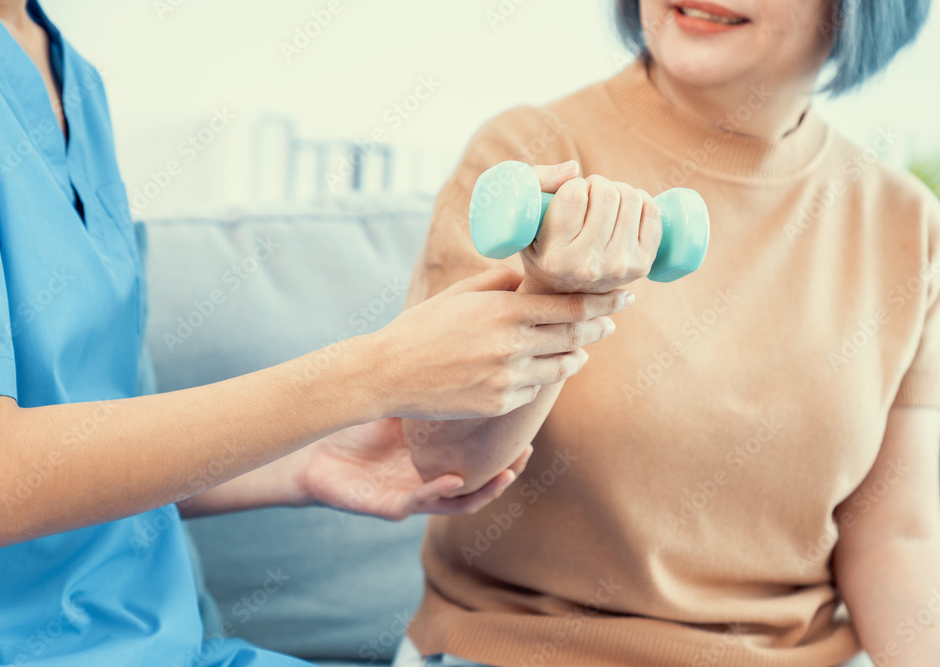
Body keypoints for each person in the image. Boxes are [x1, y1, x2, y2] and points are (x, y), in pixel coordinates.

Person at [0, 0, 632, 664]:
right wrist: (369, 373)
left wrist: (303, 462)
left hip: (175, 643)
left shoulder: (72, 78)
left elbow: (86, 439)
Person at [397, 0, 940, 666]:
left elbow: (894, 536)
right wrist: (554, 295)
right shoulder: (528, 158)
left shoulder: (908, 223)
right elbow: (443, 462)